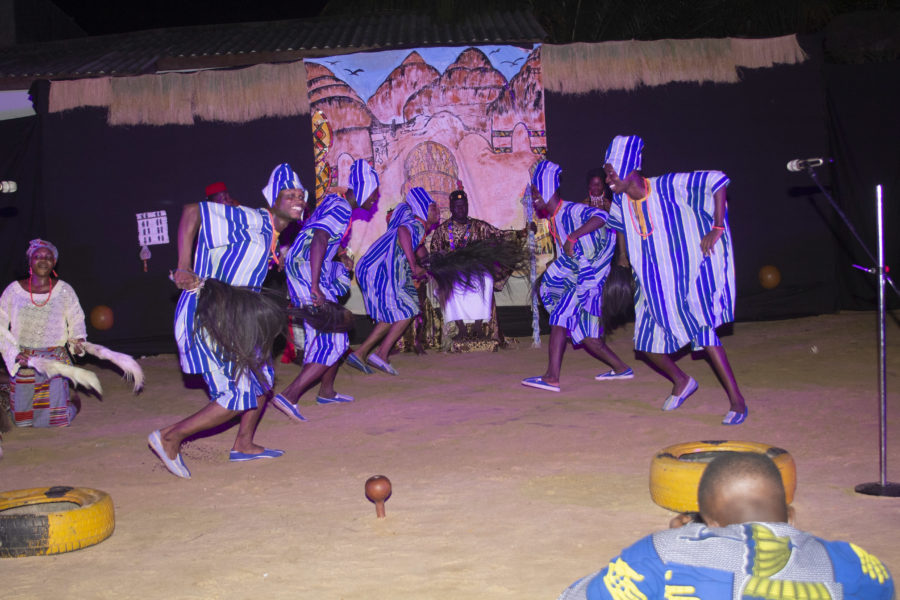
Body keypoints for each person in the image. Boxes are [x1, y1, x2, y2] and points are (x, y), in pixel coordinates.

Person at [558, 452, 895, 599]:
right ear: (790, 516)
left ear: (711, 522)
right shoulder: (855, 565)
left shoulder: (664, 552)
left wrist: (683, 538)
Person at [149, 164, 307, 478]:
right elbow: (193, 212)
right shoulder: (251, 218)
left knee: (262, 382)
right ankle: (169, 437)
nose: (297, 200)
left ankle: (244, 445)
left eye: (301, 195)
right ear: (272, 200)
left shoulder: (273, 235)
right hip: (208, 316)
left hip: (237, 318)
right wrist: (183, 264)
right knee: (236, 397)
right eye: (288, 195)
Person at [602, 135, 748, 425]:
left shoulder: (667, 185)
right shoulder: (619, 200)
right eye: (606, 172)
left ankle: (737, 401)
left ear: (629, 166)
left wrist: (717, 226)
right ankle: (682, 381)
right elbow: (619, 226)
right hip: (651, 279)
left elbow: (717, 181)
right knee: (645, 344)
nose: (607, 178)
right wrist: (622, 256)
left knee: (704, 334)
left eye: (611, 171)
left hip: (684, 274)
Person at [269, 158, 379, 418]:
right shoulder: (341, 207)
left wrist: (340, 253)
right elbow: (319, 238)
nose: (375, 200)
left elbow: (317, 232)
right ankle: (289, 396)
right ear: (363, 189)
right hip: (308, 271)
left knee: (333, 330)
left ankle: (326, 392)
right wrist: (316, 285)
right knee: (333, 336)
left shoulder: (336, 204)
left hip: (305, 267)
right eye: (374, 194)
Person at [521, 161, 632, 393]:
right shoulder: (555, 219)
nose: (534, 199)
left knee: (560, 316)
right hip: (582, 279)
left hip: (588, 278)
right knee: (588, 336)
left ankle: (552, 377)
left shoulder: (569, 210)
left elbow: (601, 216)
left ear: (548, 188)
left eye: (537, 193)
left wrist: (573, 236)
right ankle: (621, 369)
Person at [346, 187, 438, 375]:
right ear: (422, 208)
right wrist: (414, 267)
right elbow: (403, 232)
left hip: (377, 268)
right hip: (380, 269)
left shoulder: (417, 227)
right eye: (433, 208)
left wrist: (431, 265)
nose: (438, 212)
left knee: (400, 311)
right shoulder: (415, 224)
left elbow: (419, 250)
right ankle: (379, 354)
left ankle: (363, 353)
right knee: (408, 309)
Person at [0, 239, 86, 427]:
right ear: (30, 261)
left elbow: (76, 319)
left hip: (54, 357)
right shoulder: (13, 291)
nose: (43, 260)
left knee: (56, 422)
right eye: (38, 256)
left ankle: (71, 406)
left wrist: (77, 342)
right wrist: (14, 354)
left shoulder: (64, 290)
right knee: (22, 423)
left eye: (48, 257)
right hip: (24, 357)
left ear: (54, 262)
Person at [429, 188, 521, 351]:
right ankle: (460, 328)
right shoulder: (442, 231)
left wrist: (524, 232)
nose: (461, 209)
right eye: (457, 206)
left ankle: (480, 326)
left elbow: (500, 235)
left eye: (463, 206)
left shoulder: (479, 226)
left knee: (486, 279)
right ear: (451, 208)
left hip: (476, 273)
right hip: (454, 275)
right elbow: (434, 254)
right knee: (450, 284)